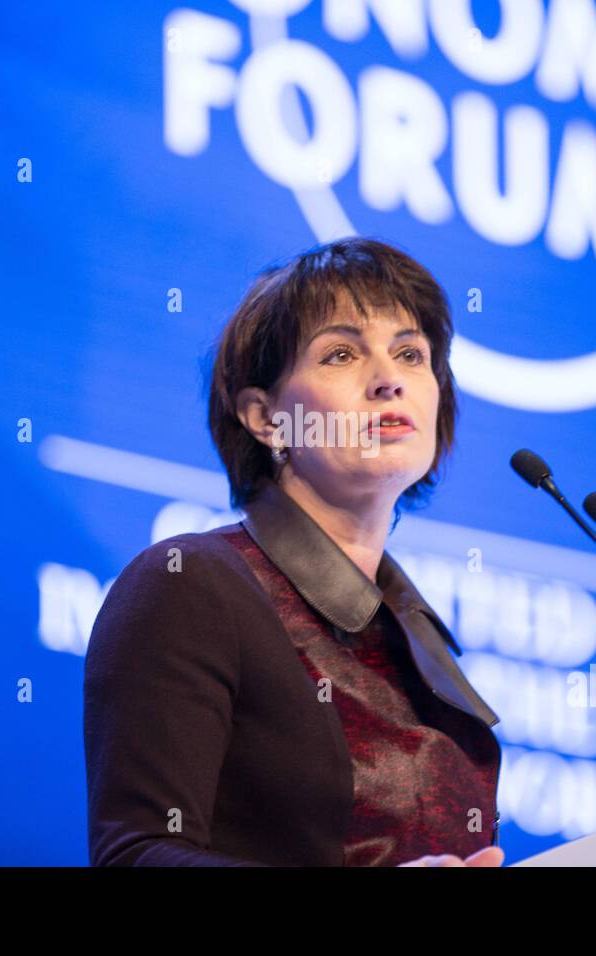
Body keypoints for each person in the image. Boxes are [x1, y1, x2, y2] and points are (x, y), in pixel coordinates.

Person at [83, 236, 504, 867]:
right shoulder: (191, 585)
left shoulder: (418, 638)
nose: (390, 380)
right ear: (265, 417)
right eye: (340, 353)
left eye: (412, 354)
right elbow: (136, 857)